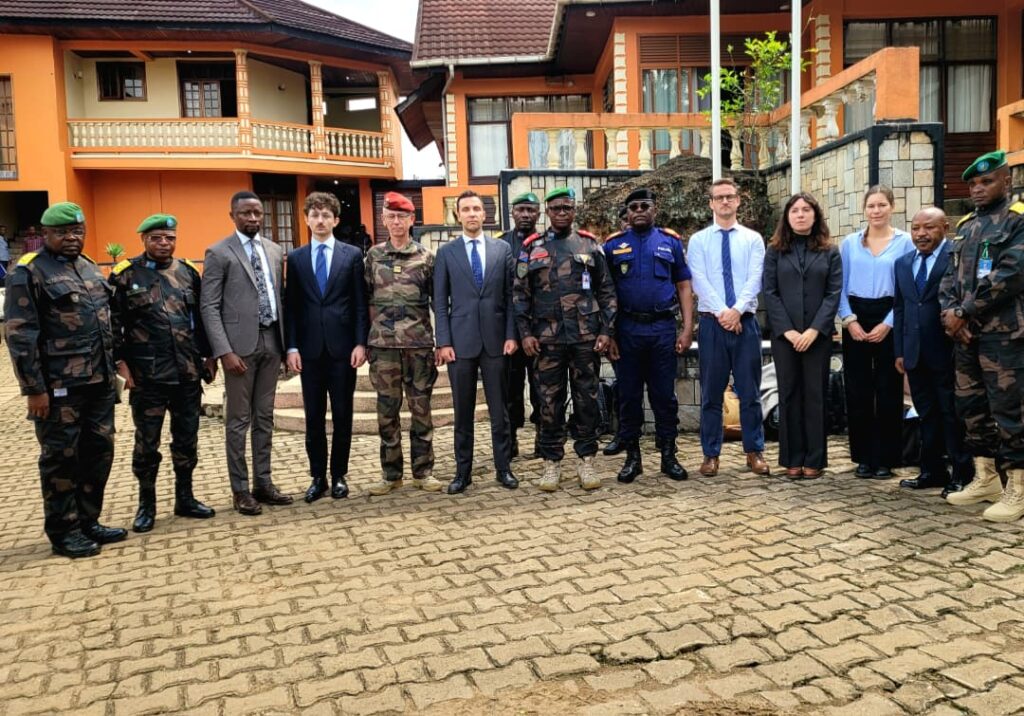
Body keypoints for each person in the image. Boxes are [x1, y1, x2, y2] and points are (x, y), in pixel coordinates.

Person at [4, 202, 124, 557]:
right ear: (46, 234)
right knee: (61, 458)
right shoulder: (28, 272)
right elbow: (20, 334)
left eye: (77, 231)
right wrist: (34, 389)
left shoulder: (87, 267)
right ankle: (63, 530)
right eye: (63, 232)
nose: (72, 238)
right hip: (59, 388)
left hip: (99, 382)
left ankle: (88, 521)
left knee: (98, 452)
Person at [110, 214, 217, 533]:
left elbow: (200, 317)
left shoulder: (187, 273)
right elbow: (113, 325)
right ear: (143, 239)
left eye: (169, 238)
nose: (163, 243)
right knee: (147, 444)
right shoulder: (124, 275)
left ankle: (185, 498)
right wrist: (120, 364)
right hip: (147, 378)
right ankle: (147, 505)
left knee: (187, 441)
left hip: (186, 374)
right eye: (156, 237)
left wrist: (209, 355)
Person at [513, 186, 616, 491]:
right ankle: (551, 463)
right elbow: (520, 295)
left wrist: (606, 331)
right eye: (555, 208)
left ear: (574, 211)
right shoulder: (532, 247)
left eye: (566, 208)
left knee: (587, 400)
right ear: (547, 212)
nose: (561, 213)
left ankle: (586, 460)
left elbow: (607, 291)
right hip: (547, 342)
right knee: (548, 403)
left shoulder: (589, 246)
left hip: (585, 339)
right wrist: (525, 334)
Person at [940, 150, 1024, 522]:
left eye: (986, 181)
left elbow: (1011, 274)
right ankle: (985, 477)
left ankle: (1018, 489)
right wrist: (950, 314)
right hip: (966, 336)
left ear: (1006, 181)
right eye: (972, 183)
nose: (977, 188)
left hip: (1003, 335)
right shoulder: (966, 226)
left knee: (1009, 411)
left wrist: (963, 313)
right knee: (971, 407)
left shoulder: (1018, 221)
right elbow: (949, 277)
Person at [201, 190, 292, 516]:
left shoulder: (274, 249)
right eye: (245, 214)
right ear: (233, 216)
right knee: (238, 421)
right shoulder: (218, 252)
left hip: (271, 342)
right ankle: (240, 491)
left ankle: (263, 483)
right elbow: (209, 306)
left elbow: (278, 297)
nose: (252, 218)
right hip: (238, 349)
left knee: (264, 418)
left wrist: (284, 345)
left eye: (257, 213)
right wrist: (223, 351)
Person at [603, 188, 692, 483]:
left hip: (662, 329)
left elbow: (683, 286)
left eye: (645, 205)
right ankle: (632, 458)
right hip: (627, 331)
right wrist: (610, 333)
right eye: (634, 207)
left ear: (655, 210)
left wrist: (687, 327)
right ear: (627, 213)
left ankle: (669, 456)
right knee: (628, 397)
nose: (639, 210)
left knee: (664, 396)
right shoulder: (613, 246)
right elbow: (606, 293)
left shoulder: (670, 242)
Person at [285, 192, 368, 503]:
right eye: (315, 215)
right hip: (308, 351)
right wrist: (291, 347)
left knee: (343, 413)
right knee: (314, 417)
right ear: (306, 219)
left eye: (326, 216)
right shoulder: (295, 259)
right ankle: (317, 476)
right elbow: (291, 305)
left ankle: (339, 475)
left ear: (335, 220)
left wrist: (361, 342)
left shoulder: (351, 256)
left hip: (343, 349)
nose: (320, 221)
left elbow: (360, 303)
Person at [435, 190, 519, 494]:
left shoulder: (502, 250)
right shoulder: (446, 253)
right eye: (465, 209)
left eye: (476, 209)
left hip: (497, 341)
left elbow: (511, 298)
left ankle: (503, 468)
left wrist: (511, 334)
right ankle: (462, 472)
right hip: (460, 343)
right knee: (463, 412)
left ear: (485, 215)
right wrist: (443, 341)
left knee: (501, 409)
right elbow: (440, 302)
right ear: (458, 215)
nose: (471, 214)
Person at [687, 178, 769, 478]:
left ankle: (754, 451)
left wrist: (736, 311)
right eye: (718, 197)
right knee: (711, 393)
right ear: (710, 203)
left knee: (750, 392)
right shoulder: (699, 241)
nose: (724, 202)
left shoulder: (752, 239)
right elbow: (699, 281)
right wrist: (723, 313)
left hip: (744, 323)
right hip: (712, 325)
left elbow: (755, 278)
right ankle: (711, 455)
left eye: (729, 197)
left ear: (738, 201)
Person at [364, 192, 442, 495]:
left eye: (402, 216)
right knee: (387, 412)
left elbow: (437, 302)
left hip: (418, 346)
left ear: (412, 220)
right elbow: (366, 300)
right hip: (383, 348)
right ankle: (391, 474)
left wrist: (440, 342)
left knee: (421, 410)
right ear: (384, 219)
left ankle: (423, 472)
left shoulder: (426, 257)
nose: (396, 222)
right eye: (391, 216)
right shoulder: (372, 257)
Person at [893, 208, 974, 496]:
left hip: (947, 351)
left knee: (951, 413)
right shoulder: (902, 263)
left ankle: (962, 473)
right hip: (914, 354)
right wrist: (900, 351)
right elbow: (901, 308)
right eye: (915, 228)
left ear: (945, 227)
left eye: (929, 227)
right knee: (926, 413)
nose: (921, 234)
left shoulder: (957, 256)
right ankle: (931, 471)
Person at [762, 193, 843, 479]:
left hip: (817, 337)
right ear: (787, 217)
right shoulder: (774, 251)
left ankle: (815, 460)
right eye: (794, 210)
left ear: (815, 215)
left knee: (815, 396)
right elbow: (769, 293)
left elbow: (833, 293)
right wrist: (789, 331)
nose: (800, 215)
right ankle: (792, 458)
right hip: (785, 337)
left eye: (806, 210)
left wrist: (813, 330)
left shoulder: (830, 251)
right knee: (789, 394)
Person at [838, 186, 914, 479]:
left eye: (882, 205)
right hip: (856, 315)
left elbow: (907, 289)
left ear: (892, 207)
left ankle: (887, 458)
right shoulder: (849, 243)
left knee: (888, 390)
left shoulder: (905, 242)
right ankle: (863, 458)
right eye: (871, 205)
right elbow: (839, 287)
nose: (876, 210)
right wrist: (849, 320)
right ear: (864, 209)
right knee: (857, 390)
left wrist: (889, 324)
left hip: (890, 314)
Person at [498, 192, 543, 458]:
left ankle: (542, 436)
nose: (525, 215)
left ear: (538, 214)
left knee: (541, 389)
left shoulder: (546, 243)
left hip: (540, 332)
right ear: (512, 213)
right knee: (511, 389)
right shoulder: (501, 245)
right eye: (521, 210)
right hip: (511, 333)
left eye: (531, 210)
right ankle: (512, 438)